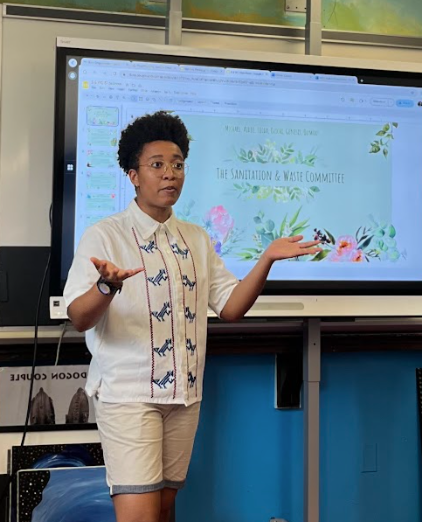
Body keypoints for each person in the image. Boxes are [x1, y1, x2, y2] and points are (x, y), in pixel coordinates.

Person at [64, 111, 321, 522]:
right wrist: (106, 287)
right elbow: (79, 317)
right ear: (133, 175)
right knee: (140, 515)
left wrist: (266, 260)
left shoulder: (196, 238)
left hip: (184, 397)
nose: (170, 174)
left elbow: (231, 308)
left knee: (165, 508)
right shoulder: (105, 235)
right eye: (158, 165)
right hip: (129, 396)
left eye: (178, 164)